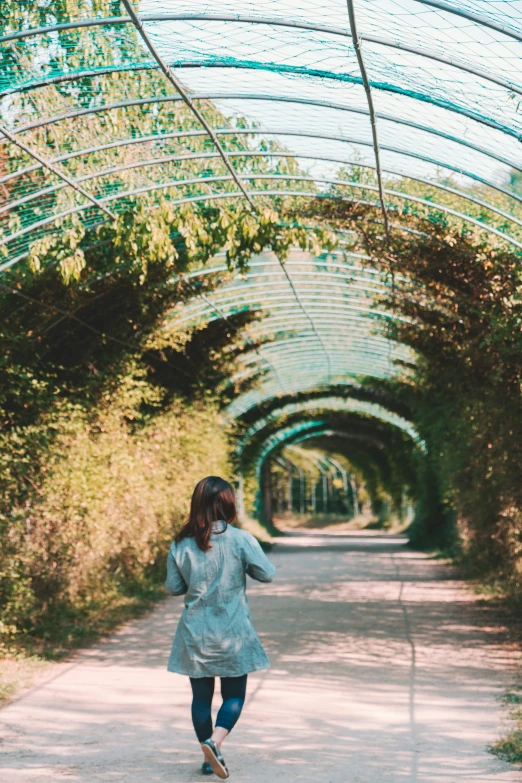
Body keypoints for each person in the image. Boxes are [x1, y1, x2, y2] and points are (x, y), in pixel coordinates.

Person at [165, 476, 276, 779]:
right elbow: (266, 573)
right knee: (234, 696)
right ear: (228, 504)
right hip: (233, 633)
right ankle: (216, 741)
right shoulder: (241, 539)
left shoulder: (180, 543)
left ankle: (208, 753)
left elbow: (174, 587)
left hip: (195, 634)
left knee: (200, 699)